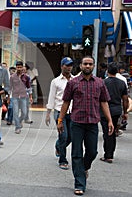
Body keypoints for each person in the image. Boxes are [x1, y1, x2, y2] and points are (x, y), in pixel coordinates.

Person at [57, 55, 114, 196]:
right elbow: (65, 102)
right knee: (76, 153)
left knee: (92, 152)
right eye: (85, 64)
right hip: (76, 123)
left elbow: (104, 102)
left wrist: (110, 120)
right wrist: (60, 120)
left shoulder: (100, 83)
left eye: (90, 64)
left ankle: (84, 167)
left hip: (93, 123)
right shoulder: (73, 83)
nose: (87, 66)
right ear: (80, 66)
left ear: (93, 66)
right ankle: (79, 183)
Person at [45, 57, 74, 170]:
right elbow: (51, 98)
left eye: (70, 65)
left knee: (71, 137)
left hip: (72, 111)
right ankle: (63, 159)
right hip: (59, 112)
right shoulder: (56, 81)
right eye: (67, 65)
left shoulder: (75, 80)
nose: (69, 67)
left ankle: (58, 146)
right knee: (63, 136)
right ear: (62, 66)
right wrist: (48, 114)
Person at [100, 62, 128, 163]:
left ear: (107, 71)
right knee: (113, 132)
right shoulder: (122, 83)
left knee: (107, 132)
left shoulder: (103, 82)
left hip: (104, 111)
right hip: (116, 111)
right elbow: (125, 99)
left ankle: (108, 155)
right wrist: (125, 112)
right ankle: (110, 153)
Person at [9, 61, 32, 134]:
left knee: (24, 113)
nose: (19, 68)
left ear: (22, 67)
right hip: (15, 96)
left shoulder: (26, 77)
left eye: (20, 67)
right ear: (16, 67)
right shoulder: (12, 77)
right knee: (15, 112)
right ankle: (17, 127)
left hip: (23, 96)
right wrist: (8, 97)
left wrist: (31, 97)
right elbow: (10, 87)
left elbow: (29, 88)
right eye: (17, 67)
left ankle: (19, 121)